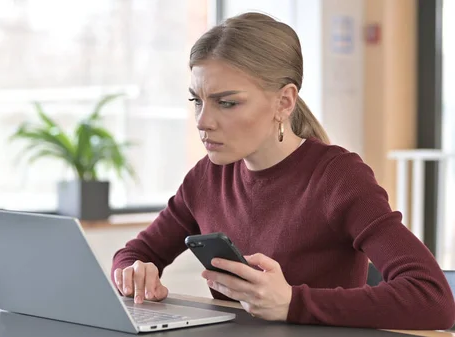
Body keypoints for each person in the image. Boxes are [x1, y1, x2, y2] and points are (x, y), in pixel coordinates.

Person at [111, 12, 455, 330]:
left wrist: (292, 303)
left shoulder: (339, 177)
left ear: (284, 101)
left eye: (227, 102)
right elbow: (133, 254)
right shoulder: (206, 178)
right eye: (197, 101)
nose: (203, 122)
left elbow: (433, 298)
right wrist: (133, 273)